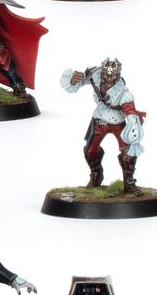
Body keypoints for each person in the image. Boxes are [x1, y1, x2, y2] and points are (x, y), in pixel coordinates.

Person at [60, 57, 145, 193]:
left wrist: (133, 126)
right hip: (98, 120)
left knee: (128, 152)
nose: (109, 78)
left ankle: (129, 182)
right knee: (90, 151)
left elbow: (130, 110)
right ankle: (96, 175)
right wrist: (73, 80)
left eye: (113, 75)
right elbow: (80, 81)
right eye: (106, 75)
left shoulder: (124, 92)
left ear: (118, 74)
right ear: (102, 72)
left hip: (118, 123)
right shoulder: (95, 75)